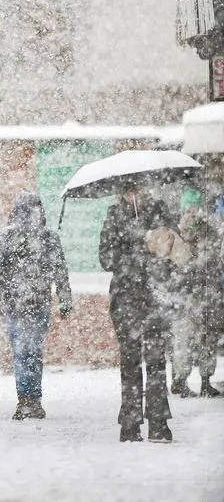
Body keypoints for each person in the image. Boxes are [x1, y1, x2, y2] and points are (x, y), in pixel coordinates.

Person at [99, 189, 175, 443]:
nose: (133, 194)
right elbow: (105, 259)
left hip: (154, 295)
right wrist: (134, 244)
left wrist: (155, 245)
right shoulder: (114, 216)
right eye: (127, 190)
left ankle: (158, 422)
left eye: (138, 188)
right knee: (130, 361)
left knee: (156, 360)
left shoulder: (159, 212)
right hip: (125, 297)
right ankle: (130, 423)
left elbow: (173, 253)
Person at [0, 193, 72, 421]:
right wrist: (64, 299)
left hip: (18, 303)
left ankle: (26, 398)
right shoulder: (47, 237)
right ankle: (32, 398)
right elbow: (60, 272)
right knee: (33, 351)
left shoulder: (8, 237)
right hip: (36, 302)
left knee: (23, 352)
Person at [168, 202, 223, 398]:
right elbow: (177, 266)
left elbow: (213, 262)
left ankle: (205, 381)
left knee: (207, 338)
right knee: (186, 340)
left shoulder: (210, 235)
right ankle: (181, 380)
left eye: (194, 211)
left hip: (207, 296)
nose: (191, 214)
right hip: (188, 297)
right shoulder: (176, 236)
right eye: (188, 211)